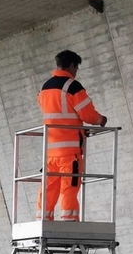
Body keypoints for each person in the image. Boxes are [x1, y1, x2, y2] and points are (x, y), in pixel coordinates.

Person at [36, 50, 107, 221]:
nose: (76, 73)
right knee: (69, 186)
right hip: (69, 152)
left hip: (50, 152)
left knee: (49, 187)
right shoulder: (72, 86)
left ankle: (43, 221)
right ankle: (69, 222)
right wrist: (101, 120)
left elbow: (56, 114)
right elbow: (87, 114)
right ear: (72, 65)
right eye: (76, 68)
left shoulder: (45, 88)